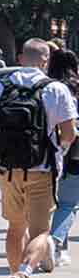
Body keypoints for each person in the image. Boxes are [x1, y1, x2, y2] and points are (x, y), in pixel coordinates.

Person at [0, 37, 78, 278]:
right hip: (42, 170)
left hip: (8, 170)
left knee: (15, 228)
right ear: (46, 61)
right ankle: (25, 273)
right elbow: (69, 134)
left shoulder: (0, 87)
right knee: (42, 232)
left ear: (20, 59)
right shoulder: (56, 89)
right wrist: (59, 151)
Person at [46, 48, 79, 266]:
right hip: (74, 153)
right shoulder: (75, 87)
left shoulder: (46, 87)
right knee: (68, 204)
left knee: (49, 203)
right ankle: (55, 241)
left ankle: (56, 249)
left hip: (45, 153)